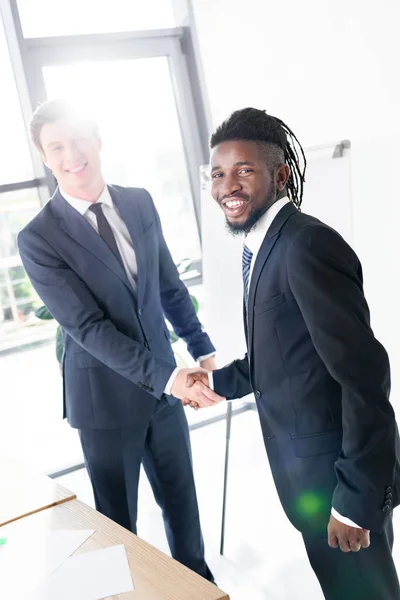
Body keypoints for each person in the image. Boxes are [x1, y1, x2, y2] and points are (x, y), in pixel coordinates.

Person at [185, 107, 400, 599]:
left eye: (244, 170)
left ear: (279, 175)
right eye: (218, 174)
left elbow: (363, 378)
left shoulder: (306, 246)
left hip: (337, 485)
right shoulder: (262, 246)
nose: (227, 186)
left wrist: (353, 501)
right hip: (313, 481)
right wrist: (215, 382)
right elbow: (289, 357)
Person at [18, 99, 224, 581]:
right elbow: (87, 327)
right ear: (46, 158)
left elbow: (168, 284)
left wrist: (202, 348)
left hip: (165, 386)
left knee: (182, 502)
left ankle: (199, 586)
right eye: (57, 146)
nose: (72, 154)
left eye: (79, 139)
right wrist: (170, 376)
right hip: (105, 399)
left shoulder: (139, 201)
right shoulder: (38, 237)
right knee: (117, 523)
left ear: (99, 140)